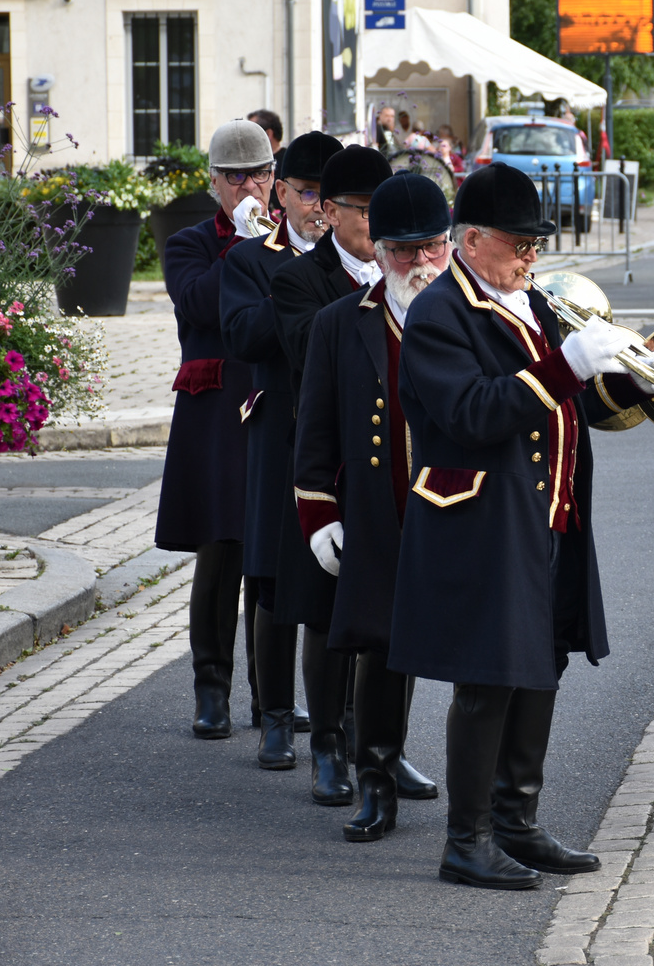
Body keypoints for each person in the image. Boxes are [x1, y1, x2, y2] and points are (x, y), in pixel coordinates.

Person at [387, 163, 654, 890]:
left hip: (546, 516)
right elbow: (474, 414)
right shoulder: (437, 315)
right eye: (519, 244)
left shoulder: (532, 301)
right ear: (473, 239)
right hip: (480, 517)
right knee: (488, 679)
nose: (531, 257)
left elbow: (568, 403)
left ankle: (516, 821)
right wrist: (568, 364)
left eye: (535, 244)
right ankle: (467, 838)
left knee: (540, 666)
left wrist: (634, 378)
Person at [294, 172, 454, 842]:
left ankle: (493, 805)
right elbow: (315, 432)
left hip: (461, 516)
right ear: (378, 250)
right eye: (402, 251)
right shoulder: (340, 324)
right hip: (382, 515)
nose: (418, 264)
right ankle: (377, 780)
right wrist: (319, 515)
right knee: (383, 652)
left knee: (482, 660)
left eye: (431, 249)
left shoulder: (478, 318)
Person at [267, 145, 397, 809]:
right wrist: (378, 298)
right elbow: (300, 345)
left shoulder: (408, 276)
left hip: (392, 473)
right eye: (363, 212)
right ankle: (326, 744)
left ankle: (385, 749)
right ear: (328, 211)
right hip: (329, 466)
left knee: (392, 618)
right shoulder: (301, 278)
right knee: (324, 615)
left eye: (385, 214)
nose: (375, 227)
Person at [219, 130, 341, 763]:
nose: (319, 207)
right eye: (309, 193)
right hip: (277, 428)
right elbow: (241, 335)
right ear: (282, 196)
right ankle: (271, 712)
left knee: (339, 576)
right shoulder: (249, 258)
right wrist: (299, 277)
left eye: (331, 195)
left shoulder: (354, 254)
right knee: (270, 577)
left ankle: (345, 720)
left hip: (339, 432)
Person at [154, 119, 271, 739]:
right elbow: (199, 303)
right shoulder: (190, 241)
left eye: (260, 175)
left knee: (272, 555)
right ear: (215, 183)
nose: (249, 187)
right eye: (235, 177)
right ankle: (211, 687)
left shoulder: (289, 242)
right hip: (217, 404)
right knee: (223, 548)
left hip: (272, 399)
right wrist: (243, 247)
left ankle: (270, 695)